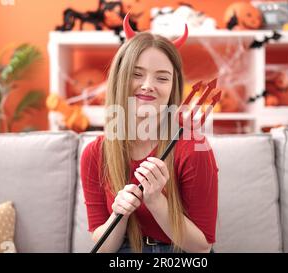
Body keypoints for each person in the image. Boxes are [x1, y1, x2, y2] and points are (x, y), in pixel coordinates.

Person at [81, 14, 218, 253]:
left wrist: (157, 202)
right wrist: (119, 214)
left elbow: (201, 247)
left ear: (173, 86)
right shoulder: (95, 153)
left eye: (162, 78)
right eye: (137, 74)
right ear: (120, 78)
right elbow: (104, 249)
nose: (148, 85)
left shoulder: (193, 149)